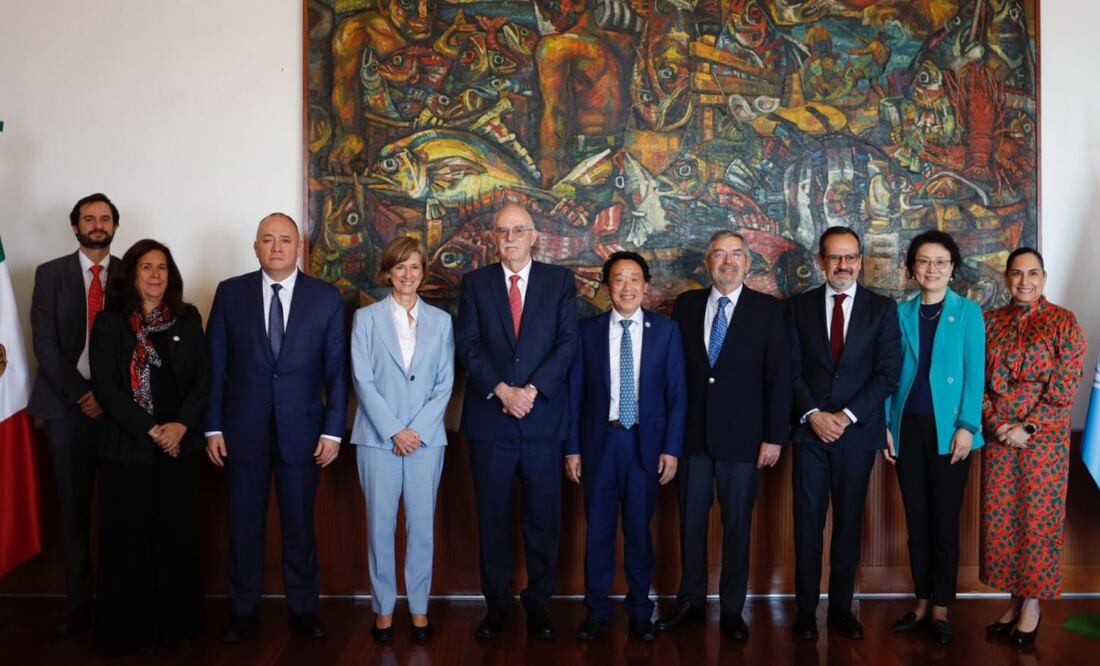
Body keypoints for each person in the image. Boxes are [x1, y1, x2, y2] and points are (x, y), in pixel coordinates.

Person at [205, 213, 349, 642]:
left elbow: (337, 373)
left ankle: (304, 610)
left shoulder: (325, 298)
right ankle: (244, 611)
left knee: (300, 526)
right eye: (267, 240)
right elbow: (216, 367)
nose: (276, 247)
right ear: (255, 247)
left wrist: (333, 430)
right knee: (244, 526)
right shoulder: (230, 294)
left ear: (299, 246)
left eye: (285, 239)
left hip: (303, 434)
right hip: (241, 432)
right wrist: (212, 427)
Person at [658, 231, 792, 640]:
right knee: (691, 525)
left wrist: (773, 437)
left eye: (736, 255)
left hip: (745, 441)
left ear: (748, 263)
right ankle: (690, 603)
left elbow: (780, 377)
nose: (728, 261)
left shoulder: (768, 311)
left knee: (737, 529)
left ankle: (732, 611)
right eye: (720, 254)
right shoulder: (686, 305)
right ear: (708, 263)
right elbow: (674, 374)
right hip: (693, 439)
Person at [455, 203, 577, 640]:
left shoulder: (559, 282)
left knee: (543, 520)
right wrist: (503, 391)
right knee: (493, 520)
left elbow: (567, 343)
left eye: (518, 230)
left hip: (543, 423)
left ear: (534, 236)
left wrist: (530, 391)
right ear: (494, 237)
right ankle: (497, 607)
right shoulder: (475, 284)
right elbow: (467, 344)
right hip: (492, 423)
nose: (510, 237)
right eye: (503, 231)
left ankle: (539, 604)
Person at [89, 239, 208, 655]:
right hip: (127, 451)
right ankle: (131, 630)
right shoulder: (109, 323)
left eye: (162, 267)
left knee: (175, 539)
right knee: (129, 543)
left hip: (180, 449)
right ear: (132, 275)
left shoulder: (188, 318)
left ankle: (177, 625)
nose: (155, 275)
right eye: (146, 267)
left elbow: (201, 381)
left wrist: (178, 427)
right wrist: (153, 429)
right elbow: (106, 387)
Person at [787, 226, 901, 641]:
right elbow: (790, 369)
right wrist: (815, 414)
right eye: (835, 257)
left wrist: (847, 415)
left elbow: (887, 373)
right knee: (807, 524)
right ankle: (804, 612)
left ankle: (839, 609)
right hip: (810, 433)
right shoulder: (798, 308)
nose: (843, 265)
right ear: (821, 261)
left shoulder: (882, 309)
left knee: (849, 524)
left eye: (851, 257)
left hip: (856, 435)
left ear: (860, 260)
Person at [566, 251, 686, 643]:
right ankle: (596, 611)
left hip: (645, 447)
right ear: (607, 287)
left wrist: (671, 449)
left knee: (639, 531)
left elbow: (677, 396)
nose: (627, 287)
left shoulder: (666, 331)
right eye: (619, 279)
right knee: (598, 531)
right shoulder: (588, 332)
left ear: (646, 286)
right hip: (600, 444)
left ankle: (639, 611)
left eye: (635, 278)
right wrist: (572, 448)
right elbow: (575, 396)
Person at [349, 236, 455, 642]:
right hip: (378, 440)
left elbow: (444, 384)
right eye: (399, 267)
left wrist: (416, 432)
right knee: (380, 527)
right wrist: (395, 429)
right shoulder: (366, 319)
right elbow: (362, 379)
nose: (407, 274)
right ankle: (383, 608)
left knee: (422, 528)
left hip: (426, 442)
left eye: (414, 266)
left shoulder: (442, 322)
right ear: (388, 272)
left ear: (423, 271)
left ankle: (419, 607)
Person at [980, 247, 1086, 647]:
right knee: (1004, 521)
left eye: (1033, 274)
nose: (1025, 281)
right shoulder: (989, 322)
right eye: (1017, 274)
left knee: (1037, 522)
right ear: (1006, 278)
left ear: (1044, 277)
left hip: (1045, 441)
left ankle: (1032, 606)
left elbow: (1064, 385)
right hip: (1000, 438)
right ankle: (1012, 602)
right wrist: (998, 425)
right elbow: (978, 380)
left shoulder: (1063, 322)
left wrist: (1028, 426)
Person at [883, 230, 984, 646]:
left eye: (941, 261)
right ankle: (921, 600)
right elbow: (890, 374)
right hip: (908, 428)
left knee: (944, 522)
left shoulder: (969, 312)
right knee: (917, 521)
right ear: (911, 269)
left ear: (952, 267)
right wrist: (887, 427)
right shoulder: (900, 314)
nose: (932, 269)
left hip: (952, 433)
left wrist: (967, 425)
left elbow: (974, 373)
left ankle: (942, 606)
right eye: (924, 261)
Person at [28, 192, 120, 636]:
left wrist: (108, 396)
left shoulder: (129, 274)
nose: (97, 225)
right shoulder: (50, 275)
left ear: (115, 227)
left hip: (120, 412)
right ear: (75, 226)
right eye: (89, 218)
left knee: (121, 510)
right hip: (66, 410)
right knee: (74, 510)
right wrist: (85, 394)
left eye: (105, 218)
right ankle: (77, 605)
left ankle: (118, 602)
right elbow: (43, 344)